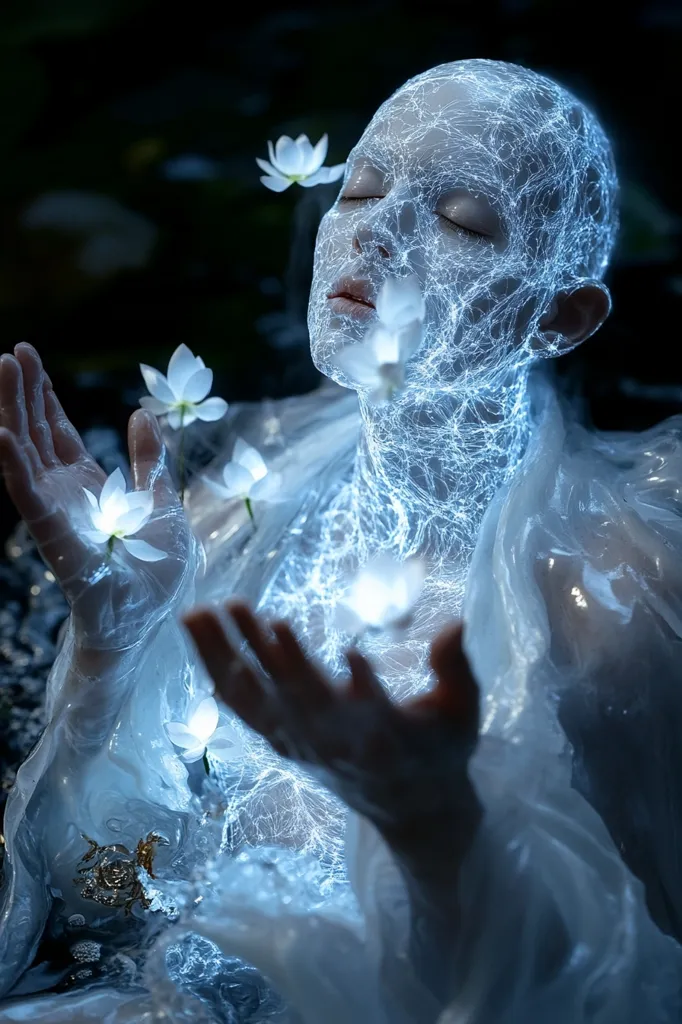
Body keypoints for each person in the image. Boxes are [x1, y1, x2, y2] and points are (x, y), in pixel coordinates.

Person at [1, 57, 682, 1022]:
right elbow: (109, 892)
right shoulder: (230, 512)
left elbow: (621, 990)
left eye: (462, 223)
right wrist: (114, 651)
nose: (381, 234)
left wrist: (435, 839)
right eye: (359, 188)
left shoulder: (609, 613)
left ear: (561, 318)